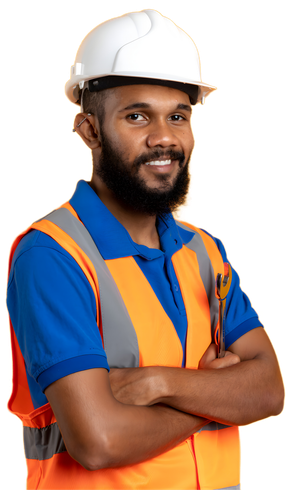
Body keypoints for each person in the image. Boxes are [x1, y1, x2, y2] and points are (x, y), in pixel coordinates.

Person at [5, 8, 284, 490]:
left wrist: (161, 385)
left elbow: (268, 392)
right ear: (90, 129)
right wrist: (213, 403)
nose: (163, 138)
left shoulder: (205, 253)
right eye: (137, 116)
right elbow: (99, 442)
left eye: (178, 116)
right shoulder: (53, 256)